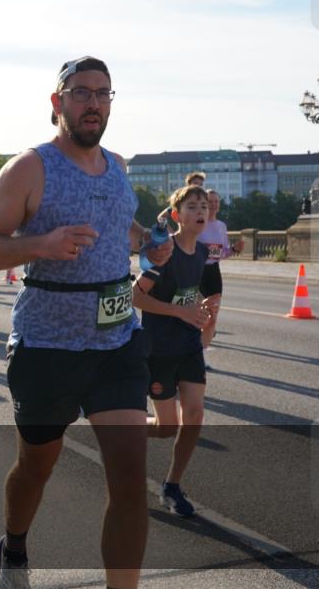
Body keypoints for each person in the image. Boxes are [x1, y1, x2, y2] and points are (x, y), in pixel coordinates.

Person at [0, 55, 173, 589]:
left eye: (103, 94)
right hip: (47, 344)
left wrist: (150, 243)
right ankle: (14, 544)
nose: (94, 103)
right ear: (57, 103)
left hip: (117, 341)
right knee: (37, 466)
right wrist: (41, 244)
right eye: (81, 93)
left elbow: (117, 226)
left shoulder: (118, 165)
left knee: (130, 478)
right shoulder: (30, 167)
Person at [132, 185, 217, 518]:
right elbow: (137, 297)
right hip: (159, 349)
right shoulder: (164, 250)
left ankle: (172, 485)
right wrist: (181, 311)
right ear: (177, 215)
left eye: (204, 206)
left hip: (188, 346)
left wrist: (199, 307)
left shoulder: (202, 253)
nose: (200, 211)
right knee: (167, 427)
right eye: (192, 206)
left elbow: (186, 294)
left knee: (194, 414)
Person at [196, 189, 243, 363]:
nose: (214, 204)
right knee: (200, 316)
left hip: (214, 273)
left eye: (217, 201)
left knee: (213, 317)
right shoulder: (199, 223)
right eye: (210, 201)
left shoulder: (222, 226)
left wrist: (234, 250)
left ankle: (202, 353)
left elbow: (221, 253)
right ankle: (194, 354)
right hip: (198, 272)